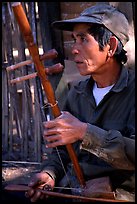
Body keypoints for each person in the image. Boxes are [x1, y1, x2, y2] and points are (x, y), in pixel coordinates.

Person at [3, 3, 135, 203]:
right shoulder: (77, 93)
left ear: (111, 47)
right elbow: (63, 151)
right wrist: (50, 173)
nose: (74, 49)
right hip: (71, 190)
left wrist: (84, 132)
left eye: (83, 39)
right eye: (74, 39)